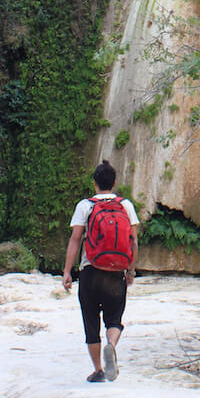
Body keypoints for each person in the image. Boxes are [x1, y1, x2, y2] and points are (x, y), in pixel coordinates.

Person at [62, 159, 139, 382]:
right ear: (114, 183)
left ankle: (98, 370)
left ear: (94, 183)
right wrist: (131, 270)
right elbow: (133, 241)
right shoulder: (126, 205)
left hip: (90, 271)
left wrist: (67, 272)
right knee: (114, 319)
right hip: (116, 272)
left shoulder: (85, 206)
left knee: (91, 321)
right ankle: (111, 345)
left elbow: (76, 239)